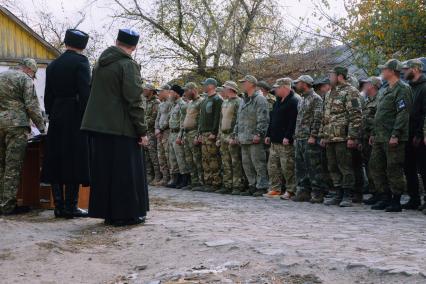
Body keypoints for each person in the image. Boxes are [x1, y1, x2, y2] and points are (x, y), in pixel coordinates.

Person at [81, 29, 149, 226]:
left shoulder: (100, 64)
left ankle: (108, 213)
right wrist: (142, 130)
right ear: (134, 47)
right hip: (122, 128)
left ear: (117, 41)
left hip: (99, 127)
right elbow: (134, 100)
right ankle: (126, 214)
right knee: (125, 173)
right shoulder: (127, 65)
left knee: (105, 172)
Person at [42, 29, 91, 219]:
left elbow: (47, 96)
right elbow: (85, 92)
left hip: (56, 114)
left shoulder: (52, 65)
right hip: (75, 114)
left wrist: (52, 113)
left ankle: (58, 206)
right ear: (82, 46)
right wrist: (85, 116)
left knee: (56, 158)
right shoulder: (81, 62)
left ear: (65, 42)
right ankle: (71, 207)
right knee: (74, 159)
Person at [0, 59, 45, 215]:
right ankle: (7, 206)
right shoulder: (24, 79)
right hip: (16, 126)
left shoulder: (2, 76)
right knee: (13, 166)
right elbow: (32, 105)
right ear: (30, 70)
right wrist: (41, 128)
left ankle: (1, 202)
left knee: (1, 165)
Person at [369, 59, 413, 212]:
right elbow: (379, 114)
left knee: (393, 167)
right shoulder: (386, 89)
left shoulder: (402, 89)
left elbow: (403, 114)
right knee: (376, 166)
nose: (382, 71)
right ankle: (384, 196)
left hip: (392, 136)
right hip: (380, 136)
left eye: (385, 69)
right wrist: (374, 133)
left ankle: (396, 200)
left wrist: (396, 134)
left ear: (392, 71)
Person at [320, 66, 362, 207]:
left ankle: (347, 195)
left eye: (331, 75)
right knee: (332, 166)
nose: (329, 78)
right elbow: (325, 116)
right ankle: (337, 192)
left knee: (345, 166)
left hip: (343, 137)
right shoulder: (329, 93)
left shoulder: (351, 91)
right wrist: (323, 135)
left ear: (339, 76)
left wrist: (352, 136)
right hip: (330, 137)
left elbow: (356, 115)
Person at [232, 75, 269, 196]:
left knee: (258, 163)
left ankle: (262, 186)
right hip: (243, 137)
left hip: (254, 137)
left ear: (252, 84)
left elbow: (263, 118)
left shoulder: (260, 99)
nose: (243, 84)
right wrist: (235, 134)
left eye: (244, 82)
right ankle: (252, 185)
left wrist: (259, 133)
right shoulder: (243, 99)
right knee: (247, 164)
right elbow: (239, 119)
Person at [291, 75, 326, 203]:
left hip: (309, 138)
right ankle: (303, 192)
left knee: (313, 167)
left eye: (298, 83)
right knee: (300, 167)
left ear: (305, 83)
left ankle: (317, 193)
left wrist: (313, 135)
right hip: (299, 137)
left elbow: (318, 118)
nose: (296, 85)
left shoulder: (316, 98)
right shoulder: (301, 99)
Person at [263, 78, 298, 199]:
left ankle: (291, 190)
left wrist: (288, 136)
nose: (275, 90)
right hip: (274, 140)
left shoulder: (294, 101)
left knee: (287, 167)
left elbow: (293, 121)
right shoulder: (277, 101)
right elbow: (272, 119)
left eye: (277, 88)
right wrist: (268, 134)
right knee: (272, 167)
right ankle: (275, 189)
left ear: (285, 87)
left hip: (285, 141)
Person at [401, 59, 426, 211]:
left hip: (420, 135)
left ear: (416, 69)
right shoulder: (409, 88)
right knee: (408, 168)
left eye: (407, 69)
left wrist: (419, 134)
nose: (404, 71)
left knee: (424, 169)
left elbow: (424, 113)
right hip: (407, 134)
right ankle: (414, 198)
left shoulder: (424, 87)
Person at [216, 81, 245, 194]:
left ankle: (237, 185)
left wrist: (235, 136)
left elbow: (240, 120)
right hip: (223, 134)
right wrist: (219, 136)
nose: (223, 90)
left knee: (235, 161)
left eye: (225, 88)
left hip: (232, 135)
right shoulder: (224, 102)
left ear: (231, 89)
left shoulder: (239, 102)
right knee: (225, 161)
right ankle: (227, 184)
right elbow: (221, 120)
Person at [196, 78, 223, 192]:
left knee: (213, 159)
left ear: (212, 86)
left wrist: (214, 132)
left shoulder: (217, 99)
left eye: (205, 85)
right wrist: (200, 133)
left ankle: (216, 182)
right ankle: (208, 181)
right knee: (205, 159)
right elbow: (201, 119)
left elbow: (218, 117)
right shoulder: (205, 100)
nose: (203, 86)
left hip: (211, 133)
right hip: (204, 133)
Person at [360, 76, 381, 205]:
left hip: (374, 137)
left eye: (366, 84)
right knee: (369, 166)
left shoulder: (379, 99)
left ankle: (380, 193)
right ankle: (374, 192)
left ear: (372, 86)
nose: (364, 87)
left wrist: (373, 133)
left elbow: (378, 120)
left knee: (376, 167)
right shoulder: (368, 100)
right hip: (365, 137)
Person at [181, 82, 204, 190]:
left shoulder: (201, 102)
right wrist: (181, 135)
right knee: (189, 159)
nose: (185, 93)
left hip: (194, 133)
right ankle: (193, 181)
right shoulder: (189, 103)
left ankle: (200, 181)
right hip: (187, 133)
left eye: (186, 90)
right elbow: (185, 119)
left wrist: (198, 135)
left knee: (197, 159)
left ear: (193, 90)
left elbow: (201, 121)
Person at [167, 84, 190, 188]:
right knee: (173, 158)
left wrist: (180, 136)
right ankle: (176, 179)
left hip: (177, 134)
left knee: (180, 158)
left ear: (176, 94)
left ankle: (184, 180)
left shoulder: (182, 105)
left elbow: (183, 123)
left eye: (171, 92)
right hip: (171, 133)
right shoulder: (173, 105)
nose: (170, 94)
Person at [142, 83, 162, 185]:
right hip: (146, 132)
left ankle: (157, 176)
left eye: (145, 89)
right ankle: (149, 176)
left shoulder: (156, 102)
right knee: (147, 156)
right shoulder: (146, 102)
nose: (143, 91)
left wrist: (143, 125)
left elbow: (153, 118)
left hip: (151, 132)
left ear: (151, 91)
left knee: (153, 156)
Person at [155, 84, 173, 186]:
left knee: (168, 155)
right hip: (160, 133)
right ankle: (165, 177)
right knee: (160, 156)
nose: (159, 93)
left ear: (167, 91)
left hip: (167, 132)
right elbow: (158, 118)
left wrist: (161, 129)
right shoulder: (161, 104)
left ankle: (171, 178)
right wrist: (156, 128)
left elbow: (169, 118)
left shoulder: (171, 103)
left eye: (161, 91)